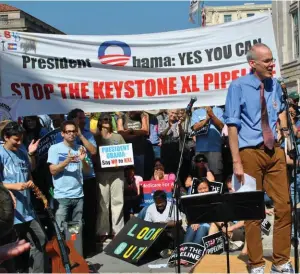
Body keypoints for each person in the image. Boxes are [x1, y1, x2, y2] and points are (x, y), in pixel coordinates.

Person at [224, 43, 293, 273]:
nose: (272, 64)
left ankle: (281, 261)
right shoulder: (238, 86)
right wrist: (236, 161)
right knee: (253, 210)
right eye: (267, 61)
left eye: (272, 59)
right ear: (252, 63)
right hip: (249, 152)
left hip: (274, 151)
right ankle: (255, 263)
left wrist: (283, 132)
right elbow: (232, 126)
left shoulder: (275, 85)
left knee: (284, 206)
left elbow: (281, 110)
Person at [0, 121, 46, 273]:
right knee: (11, 251)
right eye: (15, 139)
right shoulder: (0, 153)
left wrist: (31, 153)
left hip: (27, 209)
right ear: (6, 137)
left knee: (40, 240)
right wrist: (14, 186)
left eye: (21, 139)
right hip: (10, 212)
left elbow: (30, 169)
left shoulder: (22, 151)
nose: (19, 143)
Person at [47, 120, 90, 231]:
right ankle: (61, 248)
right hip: (62, 196)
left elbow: (86, 171)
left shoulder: (81, 148)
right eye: (68, 131)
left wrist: (83, 160)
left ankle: (73, 248)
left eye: (74, 131)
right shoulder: (54, 148)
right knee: (60, 229)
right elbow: (52, 170)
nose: (71, 134)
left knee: (75, 230)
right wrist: (67, 161)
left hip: (78, 195)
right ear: (62, 133)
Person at [67, 108, 97, 257]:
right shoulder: (64, 135)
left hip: (88, 178)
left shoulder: (88, 134)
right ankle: (75, 246)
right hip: (72, 180)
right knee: (74, 215)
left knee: (89, 213)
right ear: (72, 119)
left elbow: (93, 151)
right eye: (80, 118)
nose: (83, 120)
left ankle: (89, 245)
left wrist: (81, 135)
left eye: (84, 118)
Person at [95, 113, 126, 241]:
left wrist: (121, 162)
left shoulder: (118, 137)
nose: (106, 121)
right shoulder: (95, 137)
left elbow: (125, 152)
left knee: (118, 201)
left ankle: (117, 231)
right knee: (103, 203)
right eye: (104, 119)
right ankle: (103, 231)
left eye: (108, 119)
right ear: (100, 122)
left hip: (117, 172)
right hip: (101, 172)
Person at [191, 106, 224, 182]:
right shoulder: (196, 112)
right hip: (200, 149)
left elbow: (221, 125)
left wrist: (212, 115)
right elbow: (194, 127)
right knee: (201, 176)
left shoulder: (218, 110)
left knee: (216, 175)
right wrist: (206, 119)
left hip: (215, 149)